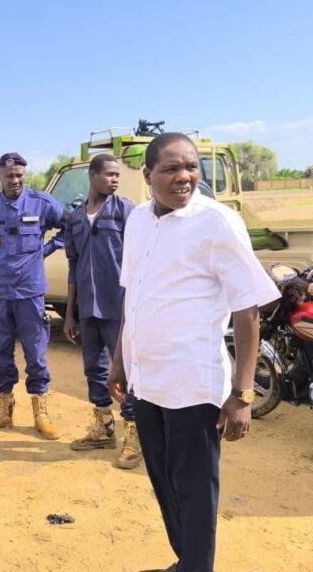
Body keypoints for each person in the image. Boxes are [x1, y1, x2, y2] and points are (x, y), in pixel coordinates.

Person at [108, 133, 279, 572]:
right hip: (147, 383)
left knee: (196, 491)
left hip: (192, 387)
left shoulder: (217, 222)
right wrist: (120, 360)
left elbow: (248, 313)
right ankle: (188, 561)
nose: (184, 177)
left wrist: (242, 395)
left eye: (191, 168)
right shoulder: (138, 221)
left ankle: (197, 565)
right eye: (171, 169)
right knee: (164, 482)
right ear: (147, 176)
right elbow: (134, 296)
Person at [0, 152, 66, 439]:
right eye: (9, 176)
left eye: (19, 175)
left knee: (35, 352)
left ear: (24, 175)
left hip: (30, 290)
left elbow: (70, 225)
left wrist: (49, 249)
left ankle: (40, 411)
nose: (15, 180)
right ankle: (4, 409)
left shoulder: (42, 203)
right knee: (0, 352)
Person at [63, 153, 141, 469]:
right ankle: (102, 428)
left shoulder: (127, 213)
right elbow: (73, 264)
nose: (115, 180)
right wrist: (70, 313)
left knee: (128, 372)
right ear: (92, 176)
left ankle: (134, 436)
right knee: (93, 369)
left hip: (118, 307)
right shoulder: (76, 218)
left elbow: (139, 262)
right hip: (88, 309)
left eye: (117, 175)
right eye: (109, 174)